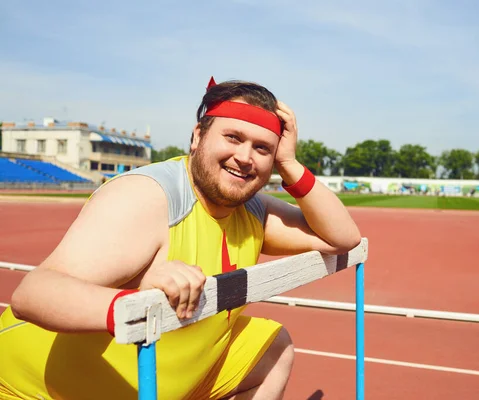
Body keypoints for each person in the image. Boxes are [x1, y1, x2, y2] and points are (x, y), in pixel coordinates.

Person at [0, 77, 361, 399]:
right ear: (197, 136)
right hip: (35, 389)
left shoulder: (252, 209)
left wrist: (290, 163)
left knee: (271, 347)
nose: (245, 157)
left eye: (263, 148)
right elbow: (32, 295)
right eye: (233, 137)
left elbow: (342, 237)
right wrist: (133, 301)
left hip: (166, 380)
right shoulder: (150, 197)